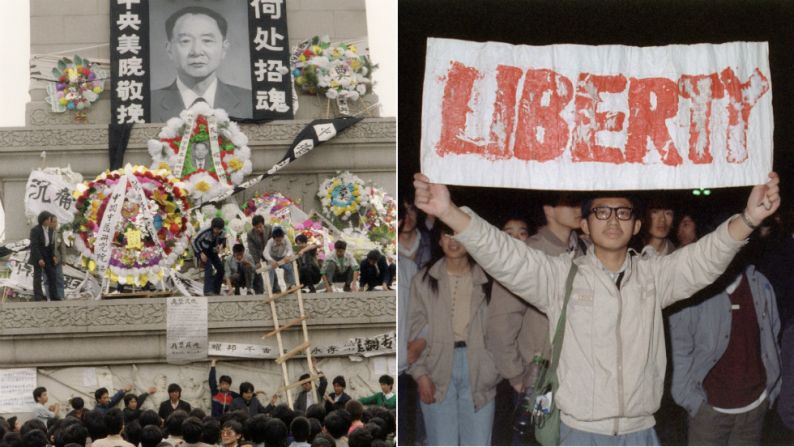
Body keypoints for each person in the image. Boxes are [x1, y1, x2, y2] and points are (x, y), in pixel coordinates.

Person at [412, 171, 780, 445]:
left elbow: (704, 258)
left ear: (637, 224)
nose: (613, 220)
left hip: (640, 432)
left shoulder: (654, 277)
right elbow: (506, 255)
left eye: (622, 213)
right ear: (585, 225)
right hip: (579, 432)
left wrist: (748, 218)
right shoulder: (559, 276)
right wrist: (449, 211)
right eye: (601, 213)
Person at [487, 193, 585, 445]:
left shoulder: (587, 249)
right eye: (570, 202)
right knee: (537, 436)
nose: (579, 208)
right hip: (539, 378)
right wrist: (517, 376)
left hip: (579, 377)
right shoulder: (528, 252)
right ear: (548, 209)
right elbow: (501, 322)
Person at [670, 240, 781, 445]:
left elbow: (773, 337)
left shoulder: (760, 284)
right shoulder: (693, 291)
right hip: (709, 412)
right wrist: (691, 401)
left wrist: (770, 392)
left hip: (754, 407)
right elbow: (679, 349)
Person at [407, 221, 500, 446]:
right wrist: (420, 374)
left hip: (479, 367)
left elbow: (501, 330)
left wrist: (494, 369)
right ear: (439, 239)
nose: (453, 241)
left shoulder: (490, 280)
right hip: (436, 366)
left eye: (460, 235)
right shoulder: (424, 279)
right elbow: (413, 330)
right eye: (447, 234)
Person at [151, 6, 252, 122]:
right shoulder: (148, 103)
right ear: (169, 50)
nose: (197, 51)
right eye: (185, 41)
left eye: (207, 40)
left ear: (224, 48)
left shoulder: (250, 102)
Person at [28, 211, 58, 301]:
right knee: (38, 276)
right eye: (49, 219)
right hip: (38, 254)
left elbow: (50, 245)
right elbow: (34, 246)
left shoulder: (50, 230)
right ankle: (38, 296)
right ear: (43, 220)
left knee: (52, 275)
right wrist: (40, 258)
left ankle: (54, 296)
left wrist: (53, 256)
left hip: (47, 254)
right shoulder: (35, 230)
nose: (50, 221)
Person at [193, 217, 227, 296]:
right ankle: (207, 291)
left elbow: (223, 241)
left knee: (221, 269)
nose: (217, 231)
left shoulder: (222, 232)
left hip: (212, 251)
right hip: (201, 249)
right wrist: (201, 253)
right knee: (209, 267)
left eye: (219, 230)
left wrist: (221, 246)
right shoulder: (205, 231)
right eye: (216, 229)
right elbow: (194, 241)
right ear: (212, 227)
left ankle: (216, 290)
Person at [263, 227, 296, 293]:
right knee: (270, 269)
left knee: (289, 268)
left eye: (280, 240)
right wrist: (271, 260)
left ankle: (291, 285)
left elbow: (290, 249)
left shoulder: (286, 239)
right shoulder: (270, 241)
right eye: (277, 240)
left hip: (283, 257)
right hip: (273, 258)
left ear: (283, 237)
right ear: (273, 238)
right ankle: (270, 288)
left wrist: (287, 256)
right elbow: (265, 252)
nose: (278, 242)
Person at [246, 215, 272, 294]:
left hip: (269, 250)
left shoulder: (269, 228)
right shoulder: (250, 234)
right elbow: (252, 249)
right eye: (256, 227)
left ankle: (274, 288)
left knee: (271, 268)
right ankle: (259, 289)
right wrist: (257, 261)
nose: (259, 229)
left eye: (260, 227)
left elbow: (272, 241)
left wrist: (270, 257)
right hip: (257, 252)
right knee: (256, 268)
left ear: (263, 224)